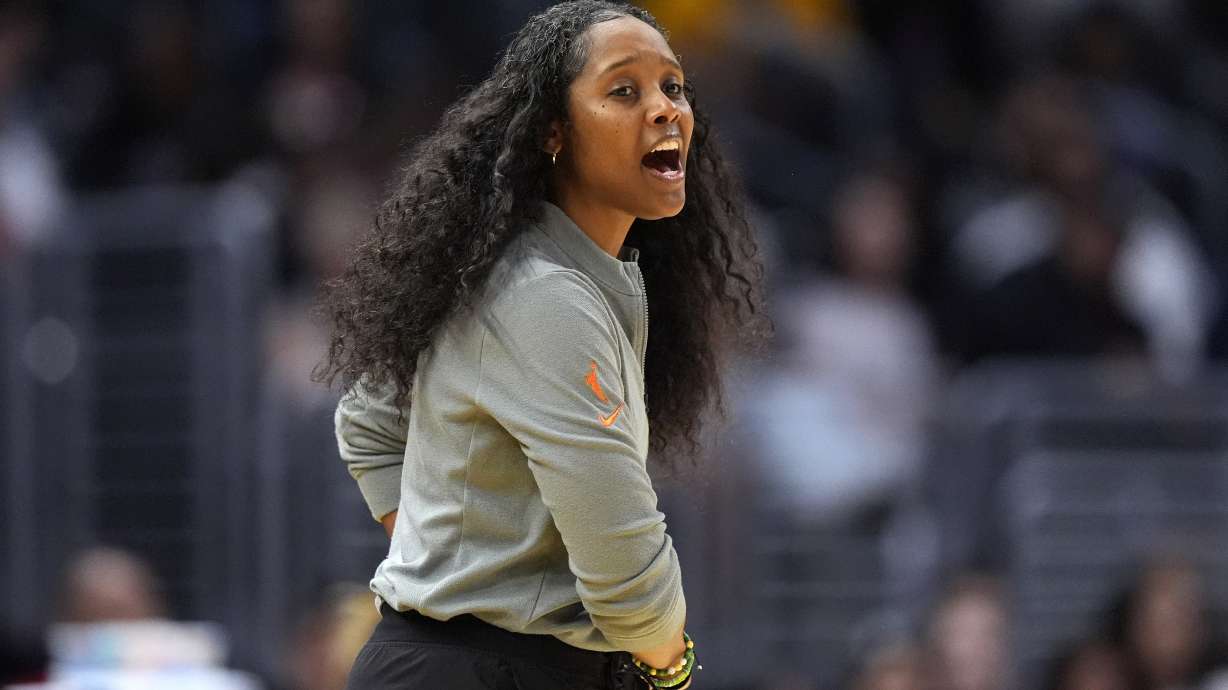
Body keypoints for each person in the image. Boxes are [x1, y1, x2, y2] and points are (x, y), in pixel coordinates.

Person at [314, 2, 767, 688]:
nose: (664, 109)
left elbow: (369, 419)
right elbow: (626, 574)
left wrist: (448, 570)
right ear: (554, 133)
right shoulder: (546, 297)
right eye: (624, 90)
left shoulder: (513, 268)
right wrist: (673, 668)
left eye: (672, 87)